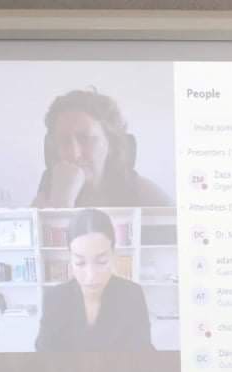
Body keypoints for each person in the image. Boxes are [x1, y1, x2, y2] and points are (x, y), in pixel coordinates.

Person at [35, 209, 153, 351]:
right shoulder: (54, 298)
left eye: (102, 262)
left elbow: (143, 351)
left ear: (113, 255)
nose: (91, 276)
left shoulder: (132, 295)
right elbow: (43, 352)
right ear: (70, 259)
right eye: (80, 263)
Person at [33, 89, 171, 208]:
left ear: (111, 144)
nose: (74, 154)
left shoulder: (141, 192)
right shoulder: (48, 190)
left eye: (85, 138)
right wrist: (61, 201)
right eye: (64, 141)